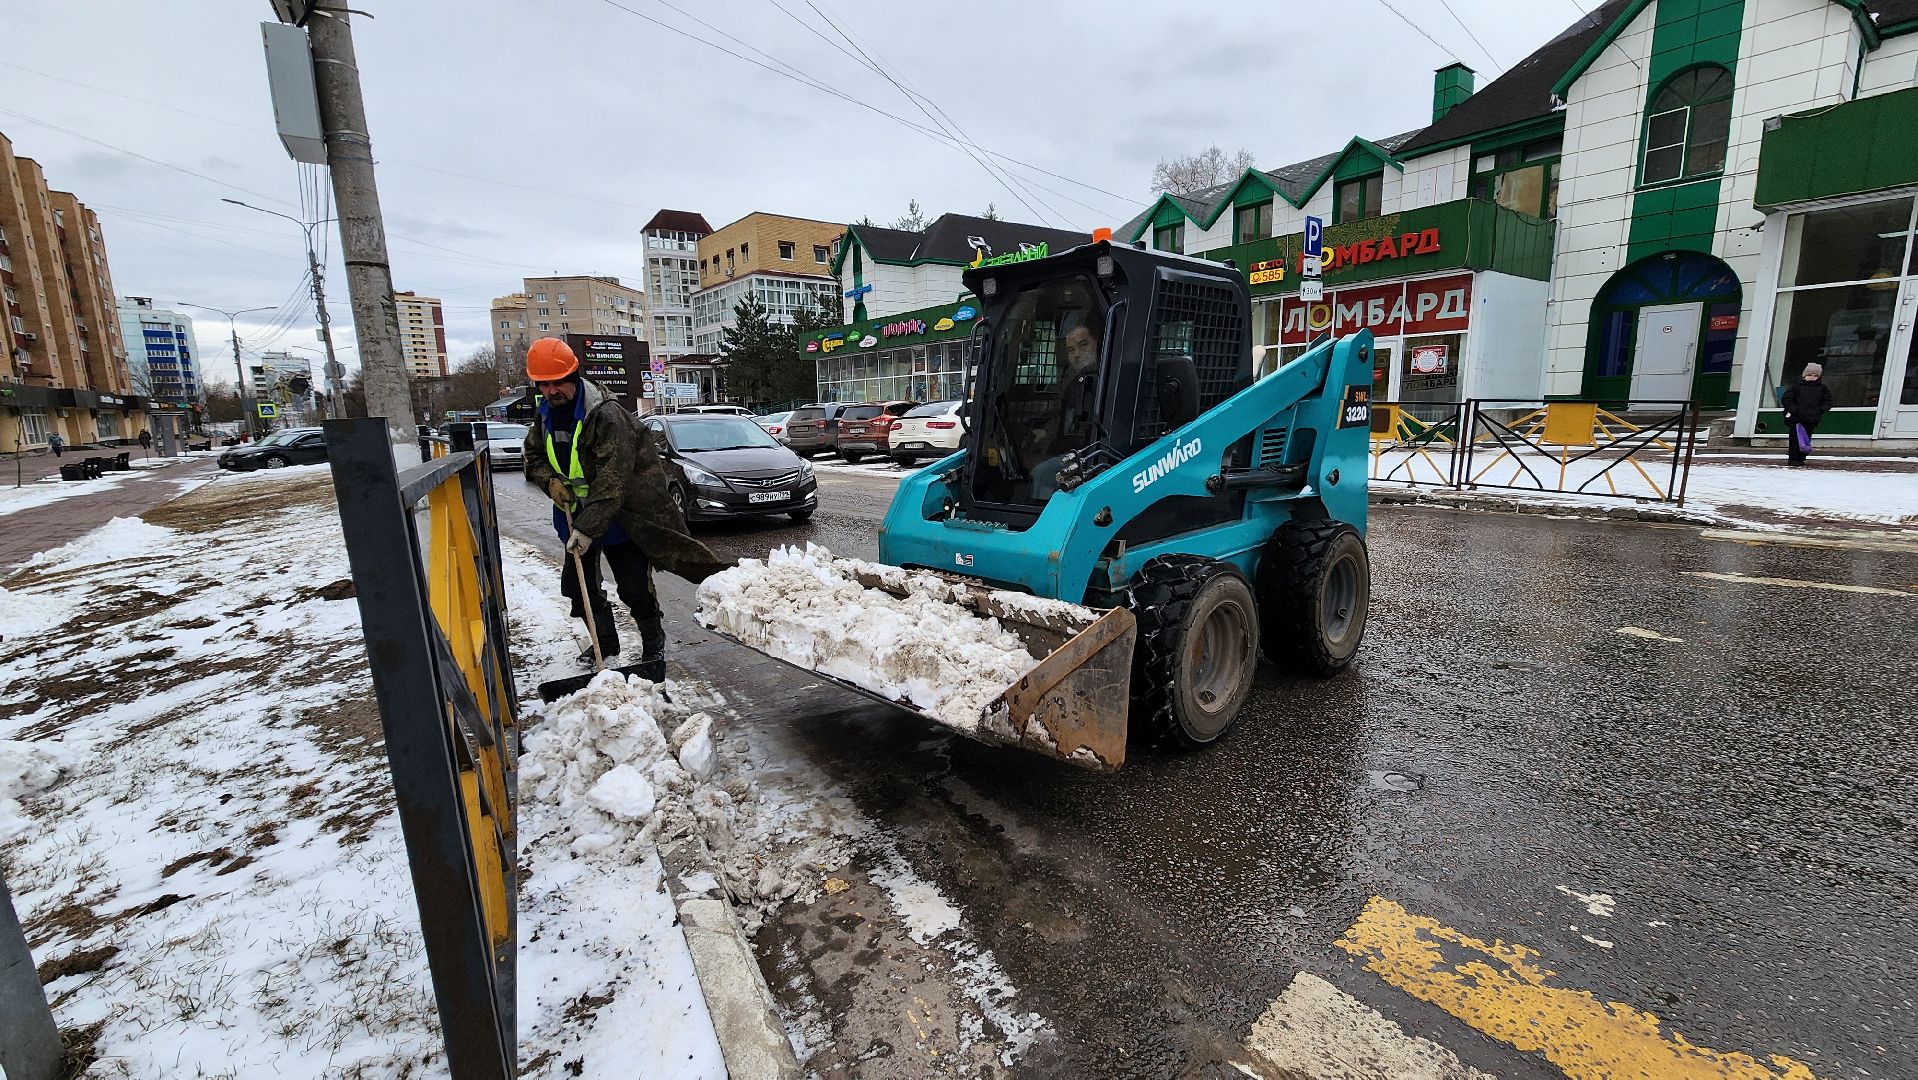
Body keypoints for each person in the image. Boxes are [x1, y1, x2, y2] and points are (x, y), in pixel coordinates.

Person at [521, 337, 730, 666]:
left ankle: (653, 642)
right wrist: (549, 481)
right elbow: (532, 455)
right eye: (543, 385)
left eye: (557, 383)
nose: (551, 392)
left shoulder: (605, 416)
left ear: (573, 376)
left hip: (621, 517)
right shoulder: (545, 414)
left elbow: (613, 479)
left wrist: (589, 528)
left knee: (634, 587)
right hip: (574, 515)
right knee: (580, 588)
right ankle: (606, 645)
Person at [1026, 318, 1103, 499]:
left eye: (1083, 345)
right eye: (1071, 349)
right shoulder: (1074, 385)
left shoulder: (1103, 380)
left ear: (1098, 344)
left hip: (1094, 455)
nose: (1077, 354)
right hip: (1075, 452)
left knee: (1042, 473)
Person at [1780, 362, 1834, 467]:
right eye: (1810, 375)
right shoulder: (1796, 387)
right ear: (1804, 375)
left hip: (1811, 418)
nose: (1812, 377)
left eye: (1815, 376)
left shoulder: (1822, 389)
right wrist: (1795, 410)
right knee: (1795, 439)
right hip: (1796, 418)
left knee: (1806, 438)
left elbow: (1828, 401)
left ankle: (1801, 457)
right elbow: (1787, 399)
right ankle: (1794, 459)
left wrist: (1820, 410)